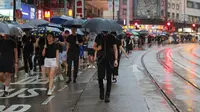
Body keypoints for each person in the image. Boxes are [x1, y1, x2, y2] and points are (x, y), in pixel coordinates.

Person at [93, 31, 118, 103]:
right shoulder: (99, 36)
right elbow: (94, 46)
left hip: (110, 59)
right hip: (101, 59)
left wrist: (116, 59)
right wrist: (98, 49)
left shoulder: (112, 37)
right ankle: (101, 91)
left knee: (109, 77)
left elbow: (115, 48)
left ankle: (107, 95)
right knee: (100, 77)